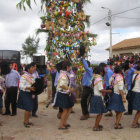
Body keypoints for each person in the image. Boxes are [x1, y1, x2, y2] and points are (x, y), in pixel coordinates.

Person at [53, 60, 74, 130]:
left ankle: (64, 123)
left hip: (64, 93)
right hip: (63, 93)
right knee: (65, 110)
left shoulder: (64, 74)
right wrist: (69, 89)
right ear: (68, 67)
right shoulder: (63, 75)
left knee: (69, 108)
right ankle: (61, 125)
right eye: (70, 66)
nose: (71, 68)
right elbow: (62, 85)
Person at [90, 66, 112, 131]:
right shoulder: (99, 79)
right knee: (100, 113)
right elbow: (100, 90)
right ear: (101, 72)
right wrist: (108, 91)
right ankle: (95, 127)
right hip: (97, 97)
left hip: (94, 96)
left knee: (100, 112)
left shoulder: (94, 78)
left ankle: (97, 124)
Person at [80, 54, 93, 120]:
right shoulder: (87, 71)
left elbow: (85, 66)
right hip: (86, 87)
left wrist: (83, 58)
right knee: (84, 101)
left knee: (83, 100)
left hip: (88, 88)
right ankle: (86, 113)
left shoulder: (89, 70)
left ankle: (85, 114)